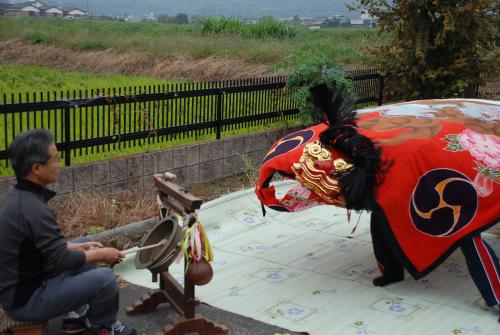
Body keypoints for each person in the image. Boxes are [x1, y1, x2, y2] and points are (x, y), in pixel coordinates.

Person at [0, 129, 136, 335]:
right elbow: (61, 260)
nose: (59, 164)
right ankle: (104, 325)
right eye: (55, 159)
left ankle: (75, 319)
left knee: (84, 241)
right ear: (36, 168)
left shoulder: (21, 198)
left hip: (24, 283)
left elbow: (43, 248)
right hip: (27, 301)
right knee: (105, 279)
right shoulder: (34, 209)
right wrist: (102, 254)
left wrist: (81, 246)